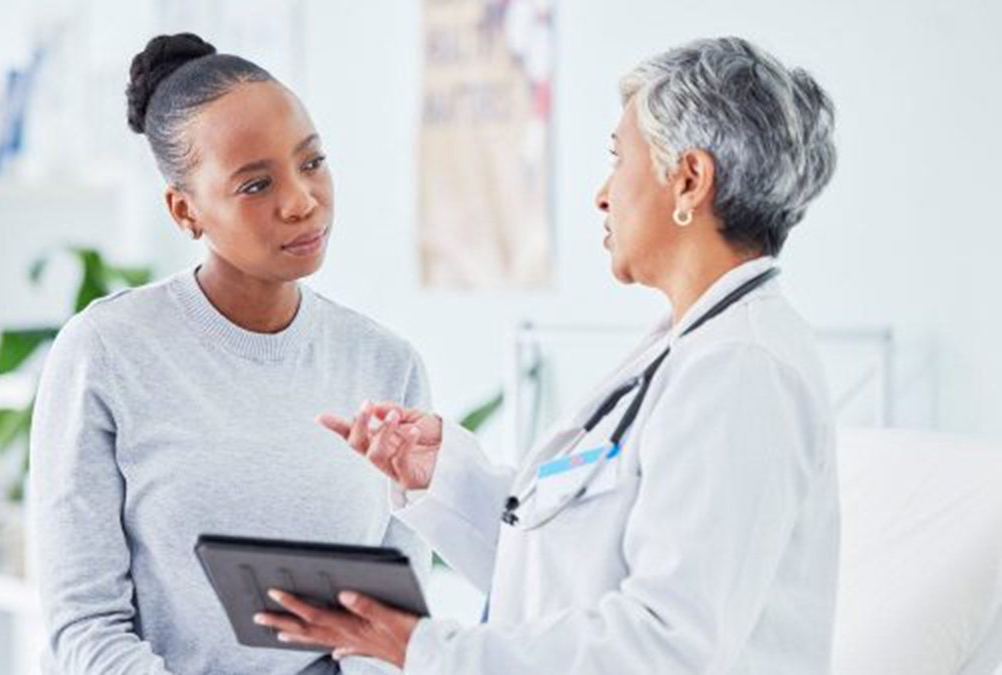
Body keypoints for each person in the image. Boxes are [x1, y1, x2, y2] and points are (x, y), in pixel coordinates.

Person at [256, 36, 841, 674]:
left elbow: (669, 647)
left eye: (619, 159)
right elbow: (565, 573)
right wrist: (444, 475)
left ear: (690, 181)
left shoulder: (740, 371)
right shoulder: (691, 350)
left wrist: (421, 648)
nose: (602, 193)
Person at [31, 32, 429, 675]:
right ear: (185, 211)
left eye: (312, 161)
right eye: (255, 185)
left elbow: (391, 629)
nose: (301, 201)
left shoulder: (386, 363)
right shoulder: (107, 351)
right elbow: (84, 626)